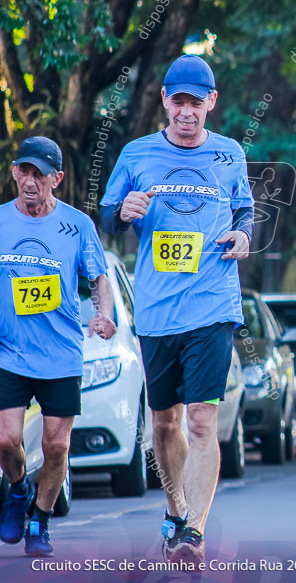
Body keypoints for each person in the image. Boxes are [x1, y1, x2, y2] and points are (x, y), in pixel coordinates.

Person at [100, 54, 254, 565]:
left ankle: (194, 531)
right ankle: (176, 506)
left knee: (202, 423)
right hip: (157, 311)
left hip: (213, 306)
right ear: (165, 100)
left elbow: (246, 209)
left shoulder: (231, 153)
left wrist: (243, 235)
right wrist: (123, 211)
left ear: (212, 103)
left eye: (197, 102)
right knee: (164, 423)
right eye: (179, 101)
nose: (187, 112)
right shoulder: (136, 153)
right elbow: (107, 214)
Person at [0, 137, 115, 558]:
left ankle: (39, 520)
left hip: (61, 354)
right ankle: (16, 490)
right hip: (8, 351)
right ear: (14, 172)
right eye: (24, 172)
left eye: (40, 174)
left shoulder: (77, 225)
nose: (31, 182)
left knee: (57, 446)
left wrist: (102, 314)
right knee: (6, 440)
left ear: (58, 179)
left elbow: (98, 277)